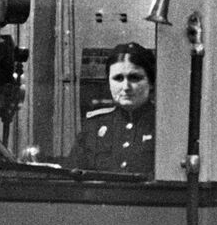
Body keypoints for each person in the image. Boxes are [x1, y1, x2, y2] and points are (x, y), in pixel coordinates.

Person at [67, 42, 156, 175]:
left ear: (151, 83)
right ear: (108, 82)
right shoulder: (93, 126)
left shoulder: (163, 126)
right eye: (118, 78)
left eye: (134, 78)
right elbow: (73, 175)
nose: (126, 87)